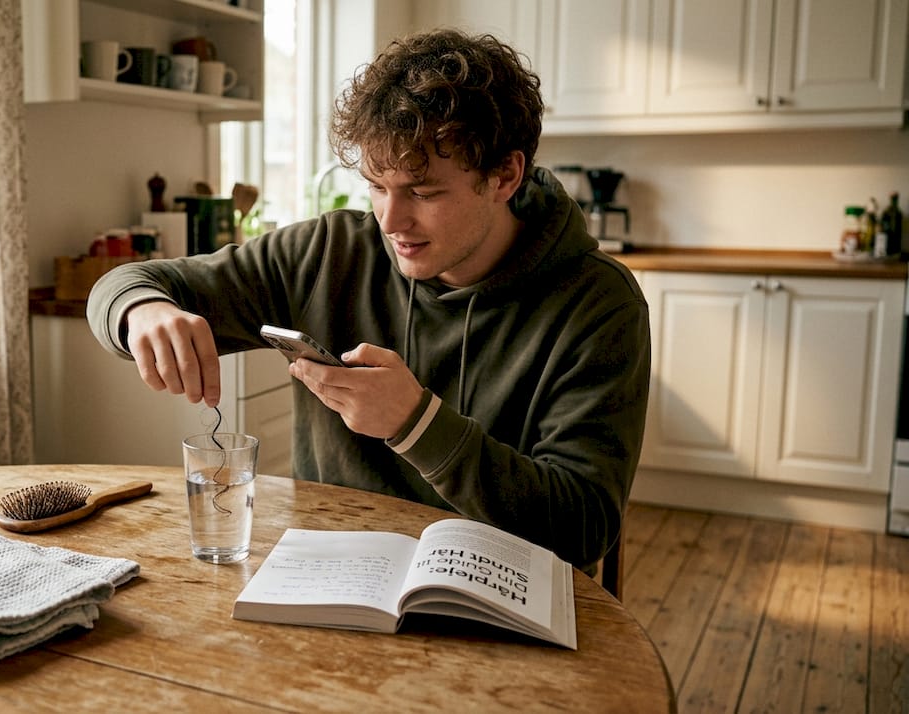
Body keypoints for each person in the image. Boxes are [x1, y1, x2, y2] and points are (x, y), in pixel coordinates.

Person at [87, 28, 649, 572]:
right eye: (377, 187)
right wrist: (143, 311)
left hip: (498, 598)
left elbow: (584, 526)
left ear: (505, 175)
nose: (391, 220)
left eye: (423, 192)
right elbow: (122, 286)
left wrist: (416, 422)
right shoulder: (330, 251)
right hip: (335, 579)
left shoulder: (598, 302)